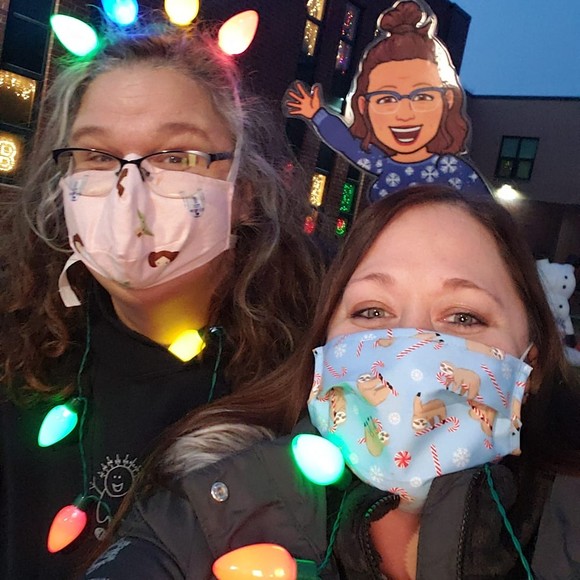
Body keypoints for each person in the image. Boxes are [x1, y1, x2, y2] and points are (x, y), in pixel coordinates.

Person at [85, 185, 580, 579]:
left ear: (530, 367)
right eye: (372, 311)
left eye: (464, 317)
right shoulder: (215, 509)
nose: (408, 344)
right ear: (324, 349)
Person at [0, 23, 324, 580]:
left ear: (243, 194)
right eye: (97, 154)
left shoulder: (309, 388)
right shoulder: (14, 357)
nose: (130, 189)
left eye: (177, 155)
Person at [285, 0, 491, 202]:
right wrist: (317, 115)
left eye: (421, 97)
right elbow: (345, 142)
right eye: (386, 99)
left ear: (447, 100)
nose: (404, 114)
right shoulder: (379, 162)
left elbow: (487, 214)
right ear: (364, 106)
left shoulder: (451, 170)